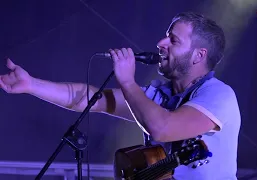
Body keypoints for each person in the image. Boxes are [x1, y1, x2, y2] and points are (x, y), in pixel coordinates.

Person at [0, 12, 241, 180]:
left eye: (173, 40)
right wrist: (32, 85)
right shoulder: (157, 94)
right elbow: (88, 99)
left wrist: (127, 81)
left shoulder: (219, 95)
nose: (160, 43)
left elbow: (162, 128)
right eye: (165, 35)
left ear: (198, 56)